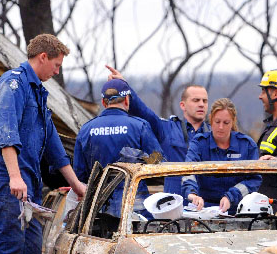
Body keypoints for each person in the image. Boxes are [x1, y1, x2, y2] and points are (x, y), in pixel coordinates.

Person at [0, 34, 86, 254]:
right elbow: (5, 130)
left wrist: (76, 184)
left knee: (31, 249)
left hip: (29, 178)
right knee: (9, 244)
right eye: (56, 64)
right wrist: (14, 175)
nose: (57, 71)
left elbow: (53, 144)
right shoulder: (13, 84)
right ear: (43, 57)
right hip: (9, 176)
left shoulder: (38, 92)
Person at [105, 65, 210, 195]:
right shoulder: (167, 129)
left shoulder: (214, 134)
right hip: (175, 204)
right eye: (196, 100)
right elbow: (143, 112)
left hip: (208, 205)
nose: (201, 104)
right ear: (183, 105)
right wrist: (124, 87)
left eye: (204, 101)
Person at [73, 79, 162, 183]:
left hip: (97, 197)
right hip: (134, 197)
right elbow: (158, 163)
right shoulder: (140, 126)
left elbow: (79, 174)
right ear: (126, 100)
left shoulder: (86, 129)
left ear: (103, 102)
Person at [182, 98, 261, 214]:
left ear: (233, 121)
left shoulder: (247, 145)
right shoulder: (199, 143)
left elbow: (254, 179)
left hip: (238, 209)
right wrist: (192, 194)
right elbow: (188, 170)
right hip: (203, 209)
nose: (221, 127)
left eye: (226, 123)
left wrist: (231, 196)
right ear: (211, 119)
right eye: (217, 122)